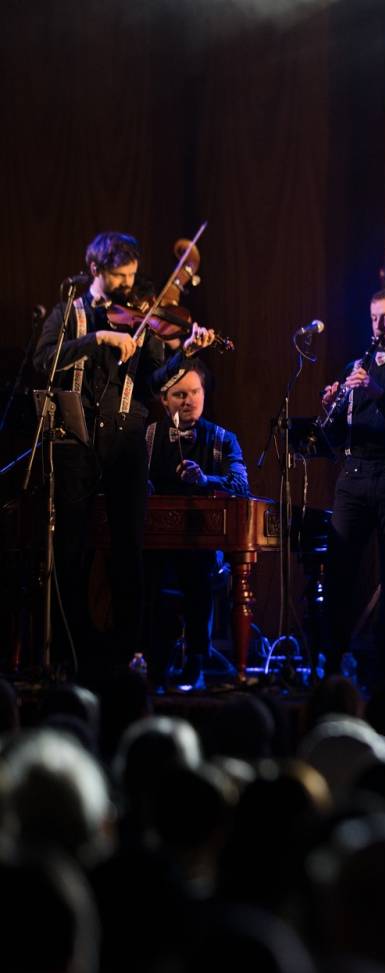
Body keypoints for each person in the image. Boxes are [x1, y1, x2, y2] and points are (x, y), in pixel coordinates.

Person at [33, 232, 215, 675]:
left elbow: (154, 382)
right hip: (74, 442)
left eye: (132, 275)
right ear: (96, 270)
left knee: (129, 550)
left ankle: (126, 653)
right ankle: (72, 655)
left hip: (126, 440)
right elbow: (43, 363)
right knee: (70, 548)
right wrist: (97, 339)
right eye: (120, 275)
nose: (129, 285)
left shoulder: (142, 317)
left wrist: (183, 356)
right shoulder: (69, 313)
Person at [319, 288, 385, 682]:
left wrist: (377, 393)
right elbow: (336, 439)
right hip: (354, 476)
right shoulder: (357, 364)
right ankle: (331, 664)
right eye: (374, 318)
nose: (380, 326)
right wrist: (331, 407)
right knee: (339, 572)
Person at [144, 357, 250, 691]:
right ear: (164, 400)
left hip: (202, 543)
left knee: (197, 573)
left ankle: (195, 662)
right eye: (179, 395)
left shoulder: (222, 439)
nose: (189, 401)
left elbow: (241, 486)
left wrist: (206, 479)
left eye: (195, 392)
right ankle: (150, 662)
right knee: (146, 577)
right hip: (155, 542)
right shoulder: (147, 438)